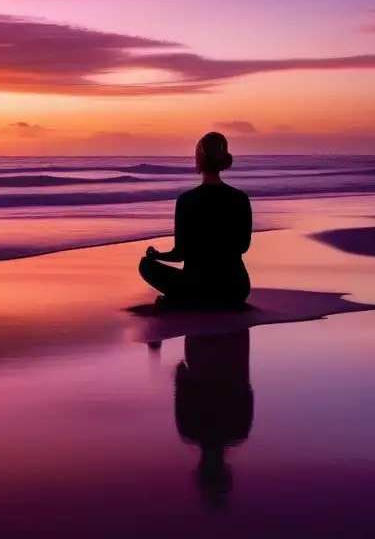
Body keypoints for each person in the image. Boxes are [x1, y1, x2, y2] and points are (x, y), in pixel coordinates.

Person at [138, 132, 252, 310]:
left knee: (146, 265)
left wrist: (157, 255)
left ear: (199, 160)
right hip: (235, 289)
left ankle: (183, 300)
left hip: (199, 287)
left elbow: (180, 254)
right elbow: (243, 246)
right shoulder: (240, 198)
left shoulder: (187, 201)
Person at [174, 329, 254, 511]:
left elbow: (247, 389)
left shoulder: (239, 430)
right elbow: (180, 375)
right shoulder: (189, 429)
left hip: (231, 343)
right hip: (218, 341)